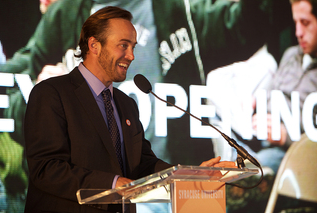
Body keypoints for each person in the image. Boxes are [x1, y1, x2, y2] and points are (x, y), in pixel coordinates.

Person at [23, 6, 236, 212]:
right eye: (123, 45)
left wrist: (189, 175)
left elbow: (143, 165)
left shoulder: (126, 104)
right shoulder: (51, 94)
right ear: (94, 45)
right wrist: (113, 183)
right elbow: (46, 169)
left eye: (133, 47)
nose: (131, 55)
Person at [210, 0, 317, 175]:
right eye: (295, 23)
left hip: (288, 151)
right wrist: (254, 102)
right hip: (256, 134)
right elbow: (274, 94)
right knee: (214, 94)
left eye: (305, 23)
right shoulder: (291, 55)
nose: (298, 33)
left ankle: (243, 163)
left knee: (261, 165)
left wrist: (285, 137)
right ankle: (237, 154)